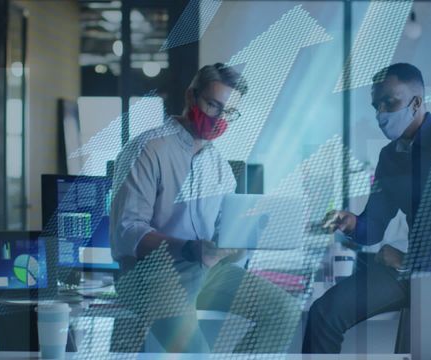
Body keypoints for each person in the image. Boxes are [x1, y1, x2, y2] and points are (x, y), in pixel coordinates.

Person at [302, 63, 431, 353]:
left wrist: (407, 261)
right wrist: (350, 221)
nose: (381, 113)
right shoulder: (390, 157)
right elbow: (373, 227)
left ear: (416, 102)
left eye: (389, 102)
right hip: (411, 268)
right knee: (324, 313)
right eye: (376, 105)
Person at [110, 63, 295, 353]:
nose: (219, 118)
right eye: (213, 105)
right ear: (191, 97)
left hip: (207, 269)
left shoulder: (218, 166)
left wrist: (242, 239)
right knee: (197, 355)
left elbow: (223, 235)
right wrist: (189, 248)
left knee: (284, 312)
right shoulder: (148, 149)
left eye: (229, 112)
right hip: (151, 273)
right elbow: (127, 232)